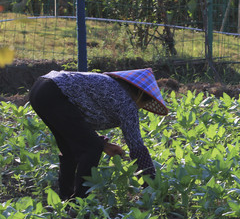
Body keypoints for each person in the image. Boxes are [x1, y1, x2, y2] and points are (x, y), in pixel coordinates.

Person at [28, 68, 169, 200]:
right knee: (91, 149)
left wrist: (104, 144)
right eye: (142, 105)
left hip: (41, 89)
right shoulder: (127, 103)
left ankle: (66, 199)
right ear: (139, 95)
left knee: (70, 150)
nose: (139, 108)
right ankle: (80, 202)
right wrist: (151, 185)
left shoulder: (112, 86)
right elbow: (137, 148)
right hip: (55, 93)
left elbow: (78, 122)